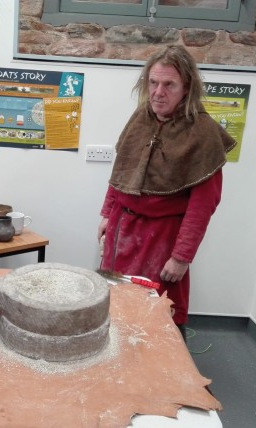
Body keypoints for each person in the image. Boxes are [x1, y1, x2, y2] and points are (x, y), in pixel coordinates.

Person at [97, 45, 236, 340]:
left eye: (169, 84)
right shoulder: (140, 119)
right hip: (122, 230)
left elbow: (203, 204)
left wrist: (181, 256)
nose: (158, 92)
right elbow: (120, 171)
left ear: (186, 88)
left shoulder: (203, 133)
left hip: (163, 239)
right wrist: (107, 213)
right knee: (116, 304)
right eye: (153, 83)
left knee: (160, 315)